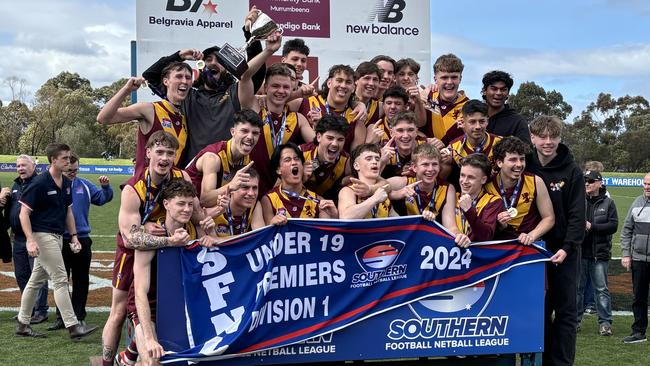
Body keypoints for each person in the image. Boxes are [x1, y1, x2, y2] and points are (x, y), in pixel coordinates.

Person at [103, 131, 216, 366]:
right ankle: (108, 362)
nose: (165, 158)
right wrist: (165, 239)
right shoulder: (133, 189)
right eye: (160, 152)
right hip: (137, 248)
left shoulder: (181, 176)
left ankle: (134, 349)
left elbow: (195, 213)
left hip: (172, 241)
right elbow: (132, 239)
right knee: (120, 309)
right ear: (148, 153)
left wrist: (207, 228)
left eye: (170, 153)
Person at [141, 7, 267, 165]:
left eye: (219, 60)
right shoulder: (187, 95)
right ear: (201, 65)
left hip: (227, 170)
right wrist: (179, 56)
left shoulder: (235, 92)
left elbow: (255, 74)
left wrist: (249, 33)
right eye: (208, 59)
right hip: (193, 172)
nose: (213, 63)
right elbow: (150, 76)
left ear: (227, 67)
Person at [129, 178, 217, 365]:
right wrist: (150, 337)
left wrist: (212, 239)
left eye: (189, 204)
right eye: (181, 204)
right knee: (153, 359)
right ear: (166, 204)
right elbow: (139, 293)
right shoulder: (151, 235)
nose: (186, 209)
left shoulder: (197, 231)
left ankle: (131, 355)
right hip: (150, 307)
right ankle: (139, 345)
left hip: (185, 306)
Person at [15, 143, 98, 339]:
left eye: (70, 158)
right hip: (42, 236)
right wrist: (30, 240)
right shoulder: (39, 183)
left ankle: (22, 323)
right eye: (65, 158)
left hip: (58, 236)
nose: (69, 162)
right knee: (61, 279)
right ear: (53, 160)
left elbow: (68, 211)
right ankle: (73, 326)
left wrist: (74, 236)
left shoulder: (66, 183)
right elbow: (23, 214)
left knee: (35, 281)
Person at [526, 115, 585, 365]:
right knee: (538, 312)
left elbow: (577, 215)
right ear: (533, 138)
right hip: (532, 252)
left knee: (565, 313)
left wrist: (568, 247)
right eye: (542, 136)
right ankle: (541, 360)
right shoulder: (525, 165)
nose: (548, 142)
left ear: (560, 138)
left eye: (553, 137)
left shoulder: (572, 170)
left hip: (564, 253)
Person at [46, 154, 114, 331]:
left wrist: (106, 188)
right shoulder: (51, 184)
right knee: (60, 280)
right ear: (62, 167)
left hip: (82, 239)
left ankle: (79, 316)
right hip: (58, 239)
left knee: (81, 279)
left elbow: (101, 198)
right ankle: (62, 317)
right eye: (69, 170)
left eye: (75, 170)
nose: (72, 173)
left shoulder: (84, 184)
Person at [97, 61, 193, 174]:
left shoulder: (185, 119)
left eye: (188, 77)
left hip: (171, 188)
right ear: (166, 81)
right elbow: (103, 118)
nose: (184, 81)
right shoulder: (149, 109)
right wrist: (126, 90)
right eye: (179, 76)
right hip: (143, 188)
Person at [184, 109, 263, 205]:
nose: (250, 137)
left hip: (214, 209)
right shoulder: (212, 158)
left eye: (255, 133)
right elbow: (204, 200)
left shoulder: (247, 160)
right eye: (244, 131)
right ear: (233, 132)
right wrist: (231, 185)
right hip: (187, 206)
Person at [485, 136, 555, 244]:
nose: (519, 164)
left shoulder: (535, 181)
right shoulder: (487, 185)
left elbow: (549, 218)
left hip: (527, 247)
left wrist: (532, 235)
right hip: (497, 249)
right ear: (499, 162)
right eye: (513, 159)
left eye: (522, 159)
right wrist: (498, 225)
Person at [5, 155, 49, 324]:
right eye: (18, 166)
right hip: (18, 239)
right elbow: (12, 210)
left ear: (33, 166)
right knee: (22, 275)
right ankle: (27, 309)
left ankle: (41, 310)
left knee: (36, 276)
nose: (20, 168)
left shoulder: (40, 184)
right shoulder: (16, 185)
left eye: (24, 165)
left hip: (35, 237)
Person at [576, 170, 617, 337]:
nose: (587, 184)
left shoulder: (608, 203)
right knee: (577, 289)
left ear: (600, 183)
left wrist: (592, 227)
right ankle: (574, 322)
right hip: (580, 252)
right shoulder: (579, 202)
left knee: (601, 289)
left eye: (591, 181)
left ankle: (605, 323)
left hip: (599, 254)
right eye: (586, 181)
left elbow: (613, 226)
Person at [298, 64, 368, 154]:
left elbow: (354, 160)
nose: (343, 85)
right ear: (329, 83)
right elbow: (277, 103)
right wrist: (298, 93)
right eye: (339, 80)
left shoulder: (357, 120)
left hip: (338, 167)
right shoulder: (305, 102)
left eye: (348, 82)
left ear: (353, 88)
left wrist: (360, 103)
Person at [261, 143, 338, 222]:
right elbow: (267, 233)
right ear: (278, 170)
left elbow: (327, 231)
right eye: (287, 160)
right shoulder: (269, 200)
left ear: (302, 165)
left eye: (297, 159)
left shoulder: (318, 201)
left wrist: (334, 216)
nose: (294, 162)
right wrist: (272, 224)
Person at [443, 154, 503, 247]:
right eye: (462, 175)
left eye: (471, 177)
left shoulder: (493, 201)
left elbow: (485, 237)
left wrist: (469, 210)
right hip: (450, 251)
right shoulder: (451, 196)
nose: (464, 181)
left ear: (483, 180)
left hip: (477, 256)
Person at [388, 143, 456, 224]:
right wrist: (396, 194)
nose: (430, 169)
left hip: (431, 235)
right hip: (404, 234)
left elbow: (450, 226)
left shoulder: (447, 189)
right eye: (425, 164)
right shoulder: (403, 182)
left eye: (434, 164)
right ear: (414, 167)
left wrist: (459, 235)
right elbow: (372, 188)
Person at [442, 99, 502, 185]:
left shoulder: (499, 143)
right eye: (472, 122)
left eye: (482, 121)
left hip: (496, 194)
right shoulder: (453, 148)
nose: (478, 126)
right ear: (463, 122)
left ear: (487, 121)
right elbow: (442, 183)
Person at [620, 172, 650, 344]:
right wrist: (626, 254)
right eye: (645, 184)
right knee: (639, 297)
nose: (647, 187)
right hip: (639, 260)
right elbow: (626, 231)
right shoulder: (636, 203)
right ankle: (639, 332)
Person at [213, 167, 286, 237]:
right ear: (232, 189)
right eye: (245, 187)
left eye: (255, 188)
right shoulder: (216, 204)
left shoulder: (255, 205)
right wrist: (218, 211)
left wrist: (271, 226)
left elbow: (260, 236)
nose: (251, 193)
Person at [420, 54, 469, 147]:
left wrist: (449, 149)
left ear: (460, 79)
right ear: (435, 79)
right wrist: (425, 140)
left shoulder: (469, 107)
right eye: (444, 77)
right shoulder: (426, 98)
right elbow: (411, 129)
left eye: (454, 77)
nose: (449, 82)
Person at [300, 115, 351, 200]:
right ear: (319, 137)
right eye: (330, 138)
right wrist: (300, 179)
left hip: (328, 209)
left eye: (340, 140)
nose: (335, 144)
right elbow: (279, 189)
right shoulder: (300, 153)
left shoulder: (347, 162)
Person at [338, 144, 396, 219]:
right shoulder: (348, 190)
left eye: (377, 159)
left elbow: (398, 222)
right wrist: (374, 199)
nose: (374, 162)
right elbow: (346, 217)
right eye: (368, 159)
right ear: (356, 166)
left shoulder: (382, 191)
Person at [482, 70, 531, 144]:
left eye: (503, 89)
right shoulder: (475, 118)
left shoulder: (518, 122)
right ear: (484, 91)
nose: (498, 93)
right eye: (494, 89)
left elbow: (527, 152)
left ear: (508, 93)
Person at [379, 111, 426, 179]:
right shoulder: (384, 153)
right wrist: (382, 162)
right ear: (391, 133)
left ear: (416, 132)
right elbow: (370, 183)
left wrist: (418, 175)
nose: (405, 135)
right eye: (400, 130)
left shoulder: (427, 148)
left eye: (410, 130)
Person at [354, 62, 382, 127]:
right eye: (367, 78)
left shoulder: (380, 108)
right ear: (356, 80)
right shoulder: (345, 102)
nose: (371, 83)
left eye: (375, 79)